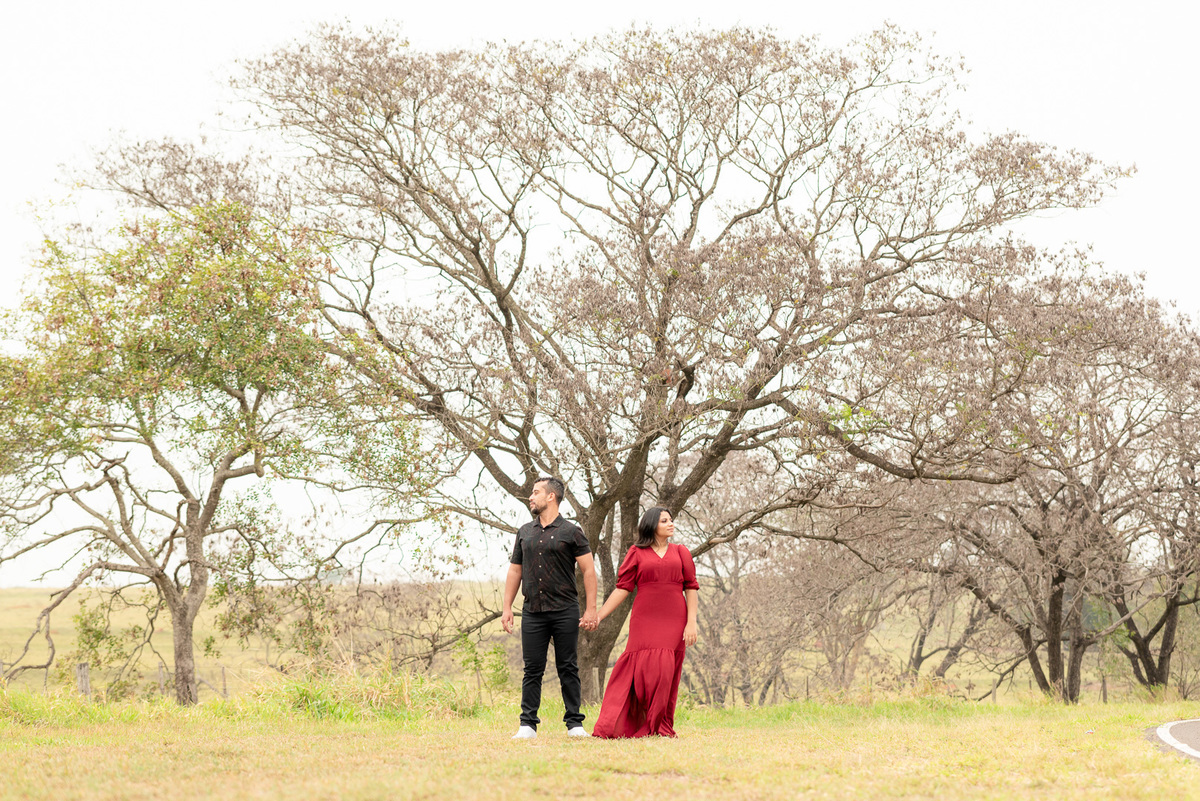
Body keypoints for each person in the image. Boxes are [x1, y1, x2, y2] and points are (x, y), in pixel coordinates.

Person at [588, 507, 699, 738]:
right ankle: (623, 722)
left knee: (666, 670)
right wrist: (599, 614)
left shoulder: (681, 552)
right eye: (664, 521)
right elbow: (622, 589)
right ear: (651, 525)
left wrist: (691, 623)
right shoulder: (636, 552)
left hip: (674, 619)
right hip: (644, 619)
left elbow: (691, 588)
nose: (671, 524)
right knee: (641, 671)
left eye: (671, 520)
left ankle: (660, 725)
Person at [501, 476, 598, 740]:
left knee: (568, 666)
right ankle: (527, 725)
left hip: (565, 609)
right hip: (532, 611)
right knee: (532, 668)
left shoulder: (572, 531)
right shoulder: (524, 532)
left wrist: (591, 609)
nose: (531, 497)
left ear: (551, 497)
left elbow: (588, 570)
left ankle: (575, 724)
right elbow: (515, 570)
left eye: (535, 492)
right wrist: (506, 607)